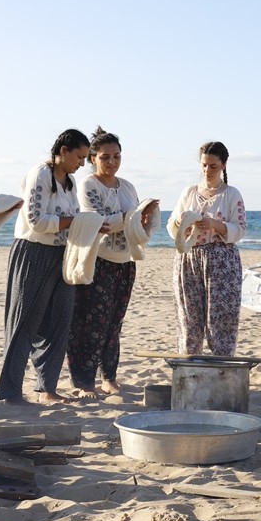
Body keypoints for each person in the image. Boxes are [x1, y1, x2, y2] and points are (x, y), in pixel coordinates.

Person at [65, 127, 160, 399]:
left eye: (117, 156)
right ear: (93, 158)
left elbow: (135, 223)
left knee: (114, 323)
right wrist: (132, 215)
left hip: (126, 261)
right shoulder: (88, 185)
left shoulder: (127, 186)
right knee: (90, 322)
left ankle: (109, 377)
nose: (112, 162)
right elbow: (100, 222)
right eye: (105, 157)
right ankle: (84, 381)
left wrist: (142, 217)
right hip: (99, 260)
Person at [0, 130, 90, 405]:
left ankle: (47, 388)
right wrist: (75, 222)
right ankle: (11, 391)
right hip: (33, 252)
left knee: (60, 321)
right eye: (79, 157)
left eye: (85, 158)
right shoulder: (40, 174)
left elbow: (71, 218)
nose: (81, 164)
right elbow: (36, 219)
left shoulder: (71, 181)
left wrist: (89, 225)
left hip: (62, 255)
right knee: (24, 321)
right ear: (63, 150)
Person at [167, 141, 247, 356]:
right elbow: (172, 224)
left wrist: (214, 225)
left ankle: (221, 367)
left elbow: (239, 229)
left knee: (221, 318)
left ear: (223, 165)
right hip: (189, 258)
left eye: (213, 166)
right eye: (204, 165)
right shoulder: (189, 192)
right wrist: (181, 223)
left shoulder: (231, 194)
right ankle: (189, 366)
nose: (207, 170)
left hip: (222, 260)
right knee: (188, 317)